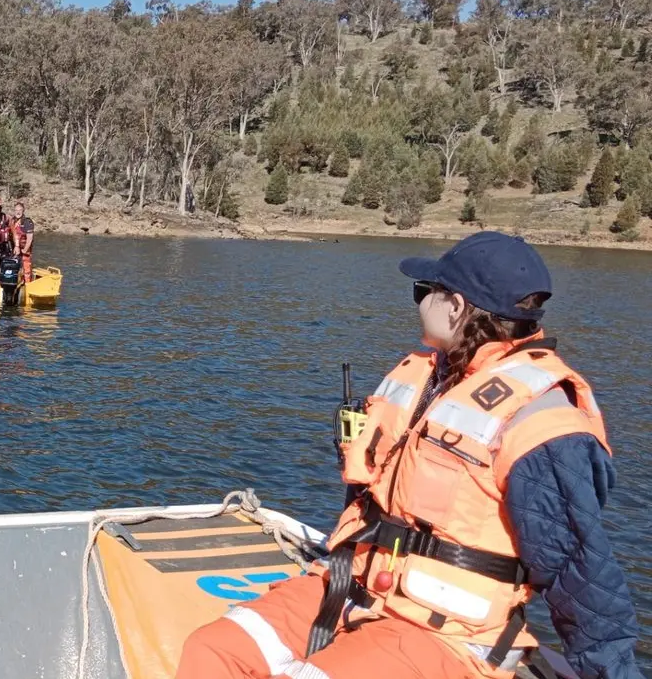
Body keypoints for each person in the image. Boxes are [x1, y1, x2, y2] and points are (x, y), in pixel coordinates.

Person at [177, 231, 643, 679]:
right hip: (354, 585)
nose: (419, 300)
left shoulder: (539, 419)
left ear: (456, 307)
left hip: (445, 632)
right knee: (212, 651)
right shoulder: (428, 374)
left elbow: (580, 570)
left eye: (426, 290)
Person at [10, 202, 36, 283]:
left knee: (26, 265)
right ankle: (14, 282)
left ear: (23, 210)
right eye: (16, 210)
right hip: (15, 247)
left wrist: (25, 249)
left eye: (20, 210)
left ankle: (27, 283)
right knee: (13, 264)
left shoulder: (27, 222)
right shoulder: (12, 220)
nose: (18, 212)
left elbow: (30, 238)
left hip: (25, 247)